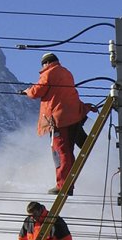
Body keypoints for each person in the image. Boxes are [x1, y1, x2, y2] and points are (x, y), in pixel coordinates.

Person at [21, 53, 97, 196]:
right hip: (73, 116)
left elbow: (38, 90)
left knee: (61, 152)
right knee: (68, 149)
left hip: (59, 119)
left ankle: (63, 185)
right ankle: (81, 141)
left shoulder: (49, 73)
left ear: (45, 63)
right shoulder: (66, 73)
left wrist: (27, 91)